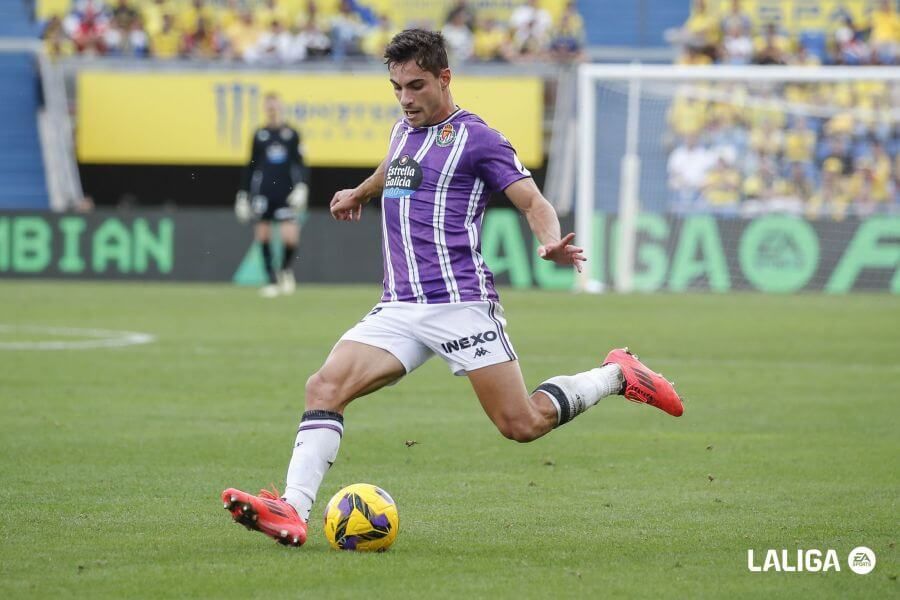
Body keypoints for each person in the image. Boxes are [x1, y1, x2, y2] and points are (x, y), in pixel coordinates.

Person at [222, 29, 683, 547]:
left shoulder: (480, 139)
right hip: (398, 306)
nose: (406, 98)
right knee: (323, 388)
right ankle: (292, 509)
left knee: (522, 423)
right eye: (397, 87)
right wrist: (360, 191)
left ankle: (617, 374)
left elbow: (534, 203)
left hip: (459, 304)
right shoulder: (403, 129)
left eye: (416, 86)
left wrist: (551, 243)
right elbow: (395, 166)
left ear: (445, 78)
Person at [234, 92, 309, 297]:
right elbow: (250, 166)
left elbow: (301, 163)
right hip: (264, 192)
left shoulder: (291, 134)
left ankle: (284, 269)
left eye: (274, 106)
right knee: (263, 235)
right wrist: (243, 194)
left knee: (290, 238)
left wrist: (302, 186)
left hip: (286, 192)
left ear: (281, 108)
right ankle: (271, 280)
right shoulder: (259, 135)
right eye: (268, 107)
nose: (272, 110)